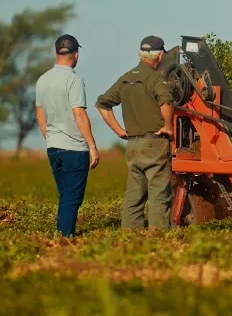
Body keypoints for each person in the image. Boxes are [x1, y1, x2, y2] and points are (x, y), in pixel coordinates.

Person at [95, 35, 175, 229]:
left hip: (132, 146)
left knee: (134, 196)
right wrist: (168, 126)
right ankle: (158, 240)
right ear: (158, 57)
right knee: (159, 195)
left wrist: (119, 131)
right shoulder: (155, 78)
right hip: (154, 144)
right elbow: (166, 102)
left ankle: (130, 239)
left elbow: (102, 104)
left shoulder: (126, 78)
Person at [35, 34, 100, 237]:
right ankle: (64, 238)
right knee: (72, 198)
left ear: (56, 53)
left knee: (65, 196)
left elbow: (40, 115)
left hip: (53, 146)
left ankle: (62, 236)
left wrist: (52, 137)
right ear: (76, 55)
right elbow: (79, 114)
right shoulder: (74, 80)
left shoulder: (42, 80)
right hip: (74, 148)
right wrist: (92, 146)